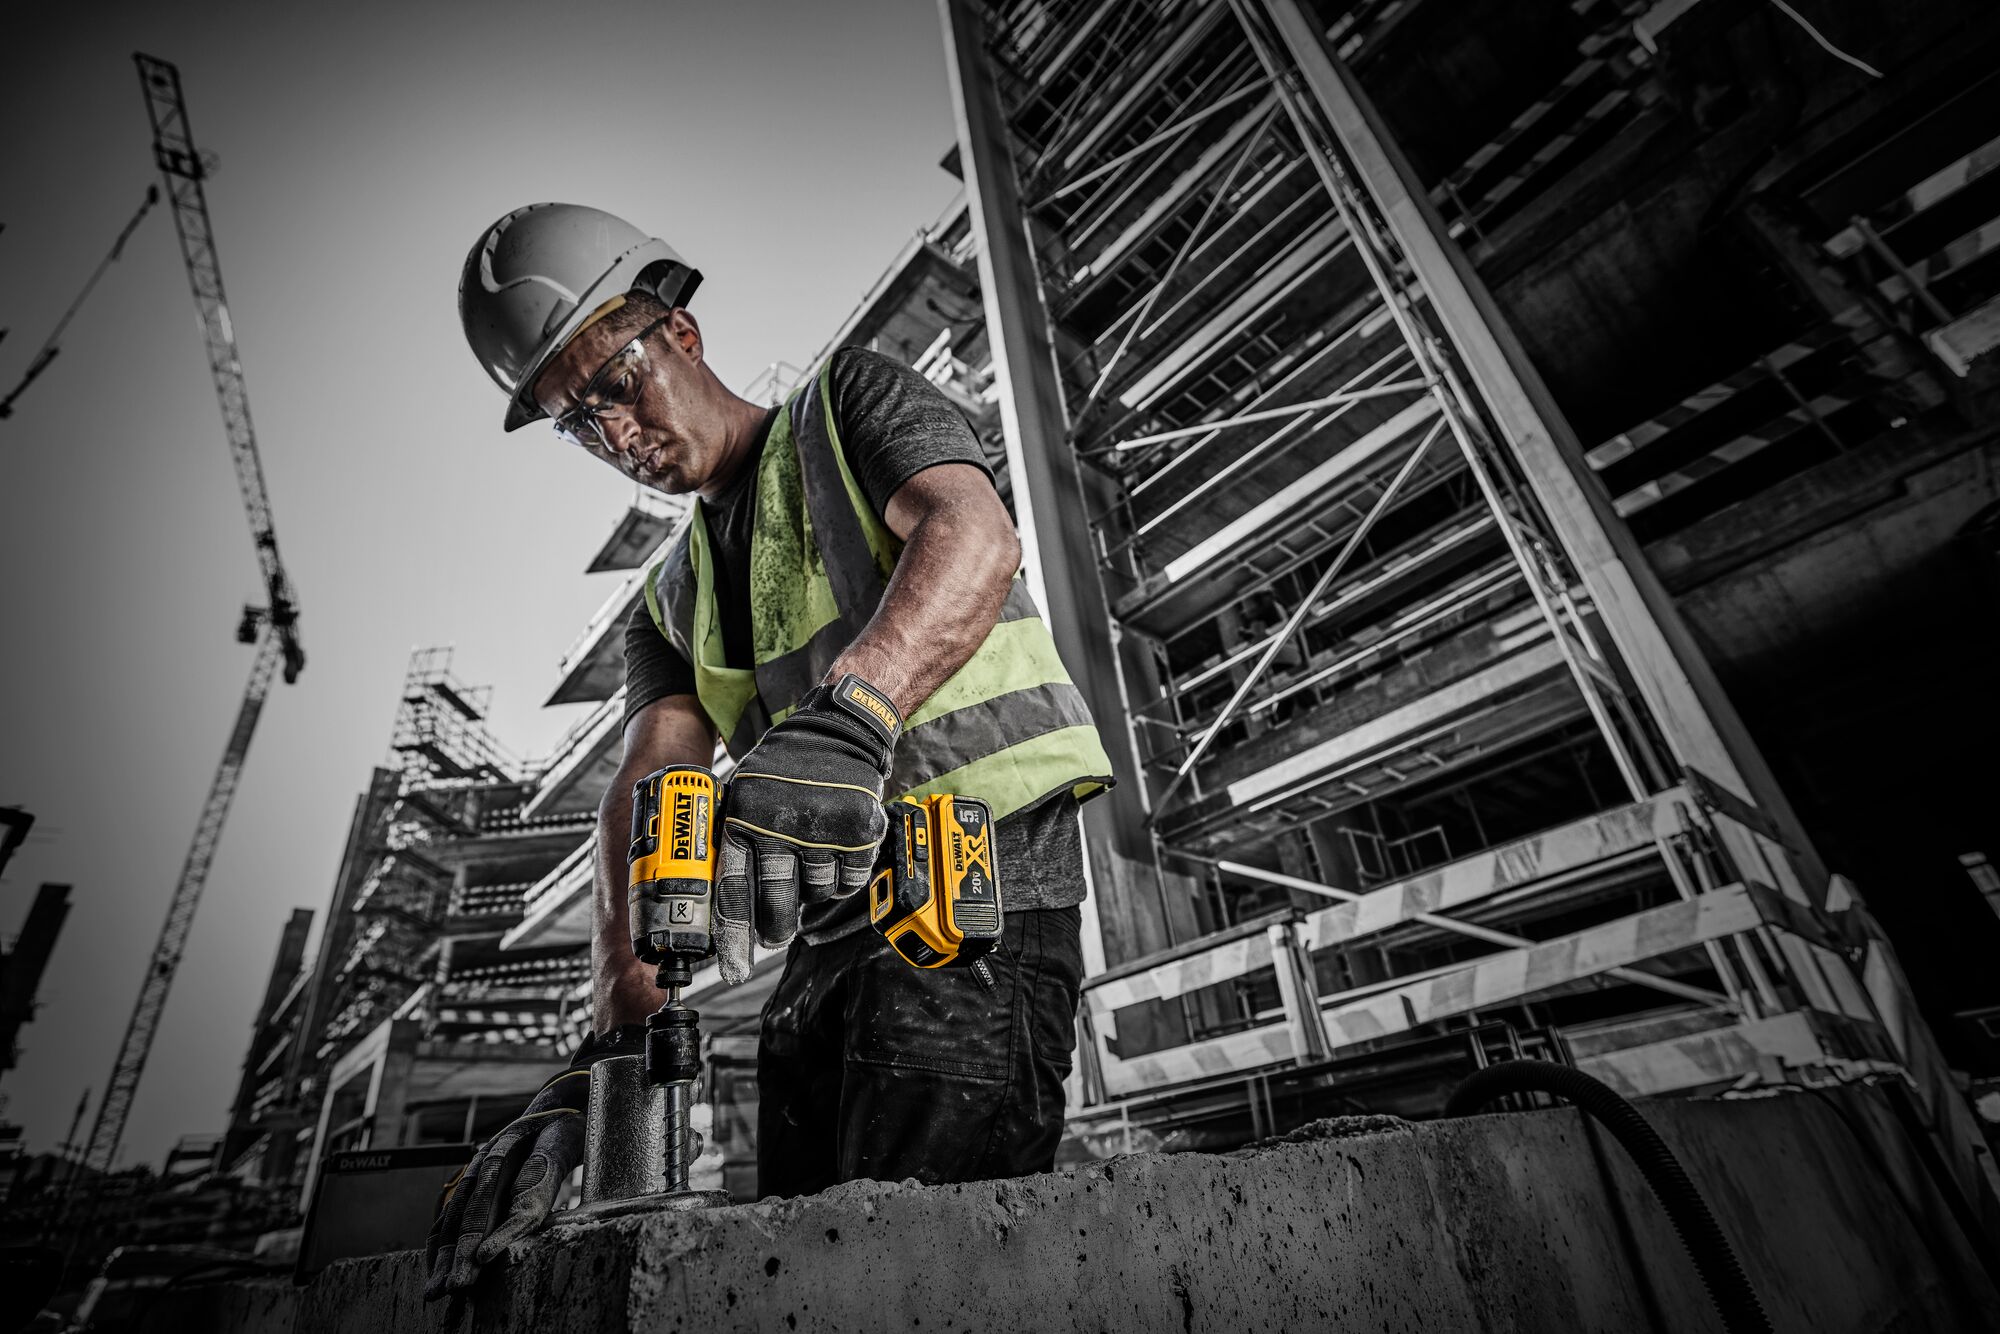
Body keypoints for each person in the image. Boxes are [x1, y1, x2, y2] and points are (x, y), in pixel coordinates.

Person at [425, 203, 1113, 1297]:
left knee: (913, 1276)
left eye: (613, 383)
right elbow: (653, 779)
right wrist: (619, 1002)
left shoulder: (850, 405)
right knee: (800, 1264)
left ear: (678, 333)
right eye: (575, 420)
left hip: (969, 887)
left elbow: (969, 531)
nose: (613, 433)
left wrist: (854, 713)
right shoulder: (665, 595)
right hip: (827, 936)